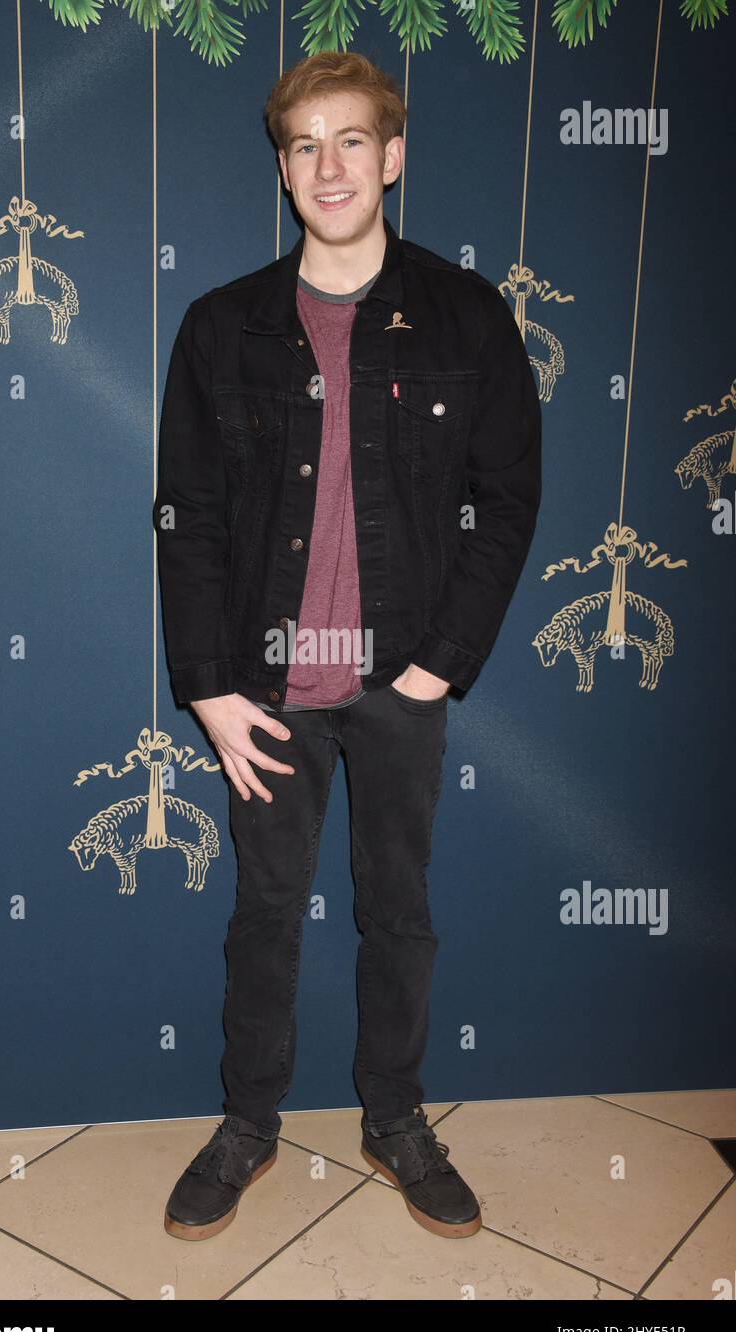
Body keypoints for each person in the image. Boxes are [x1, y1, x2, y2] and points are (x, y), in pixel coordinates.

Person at [153, 50, 541, 1242]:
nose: (328, 164)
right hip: (266, 690)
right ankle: (247, 1122)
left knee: (398, 912)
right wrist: (207, 689)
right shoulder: (222, 327)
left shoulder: (467, 316)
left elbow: (507, 496)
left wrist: (434, 665)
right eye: (304, 144)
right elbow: (187, 514)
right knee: (264, 912)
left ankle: (395, 1115)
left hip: (395, 686)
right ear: (283, 167)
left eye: (351, 140)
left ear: (393, 155)